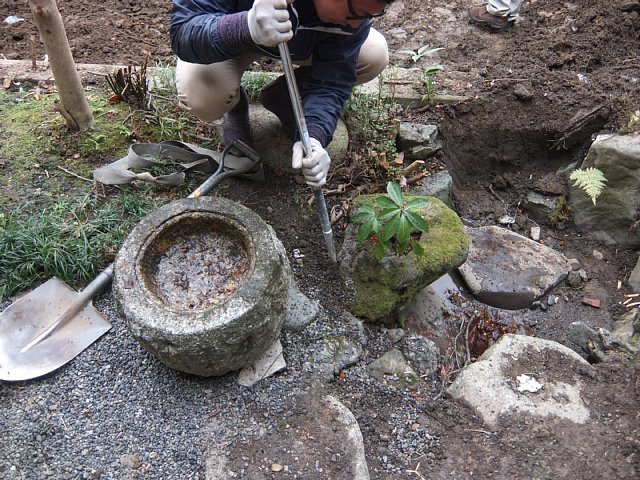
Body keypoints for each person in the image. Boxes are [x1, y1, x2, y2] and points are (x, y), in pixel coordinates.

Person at [170, 0, 395, 188]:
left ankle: (286, 96)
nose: (356, 23)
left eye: (369, 15)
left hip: (299, 41)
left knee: (373, 54)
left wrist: (315, 135)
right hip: (231, 32)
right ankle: (234, 104)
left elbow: (332, 80)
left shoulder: (353, 20)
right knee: (201, 95)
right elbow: (184, 31)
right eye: (356, 12)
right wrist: (246, 26)